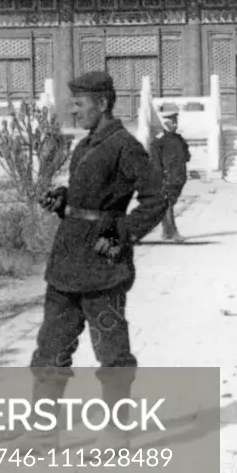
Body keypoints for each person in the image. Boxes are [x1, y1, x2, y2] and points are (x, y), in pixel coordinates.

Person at [30, 71, 169, 447]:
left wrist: (120, 234)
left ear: (103, 103)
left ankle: (116, 433)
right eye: (72, 104)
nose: (73, 112)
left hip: (103, 267)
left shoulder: (125, 146)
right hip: (66, 265)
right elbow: (88, 199)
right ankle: (43, 434)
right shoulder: (84, 146)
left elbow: (156, 198)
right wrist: (64, 202)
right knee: (50, 350)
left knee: (112, 352)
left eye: (79, 104)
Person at [150, 105, 191, 242]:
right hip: (167, 178)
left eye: (176, 121)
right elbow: (155, 162)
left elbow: (187, 156)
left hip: (179, 178)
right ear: (165, 123)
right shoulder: (159, 140)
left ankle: (166, 233)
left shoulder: (179, 138)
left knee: (168, 204)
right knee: (167, 204)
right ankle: (173, 233)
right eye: (172, 122)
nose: (175, 124)